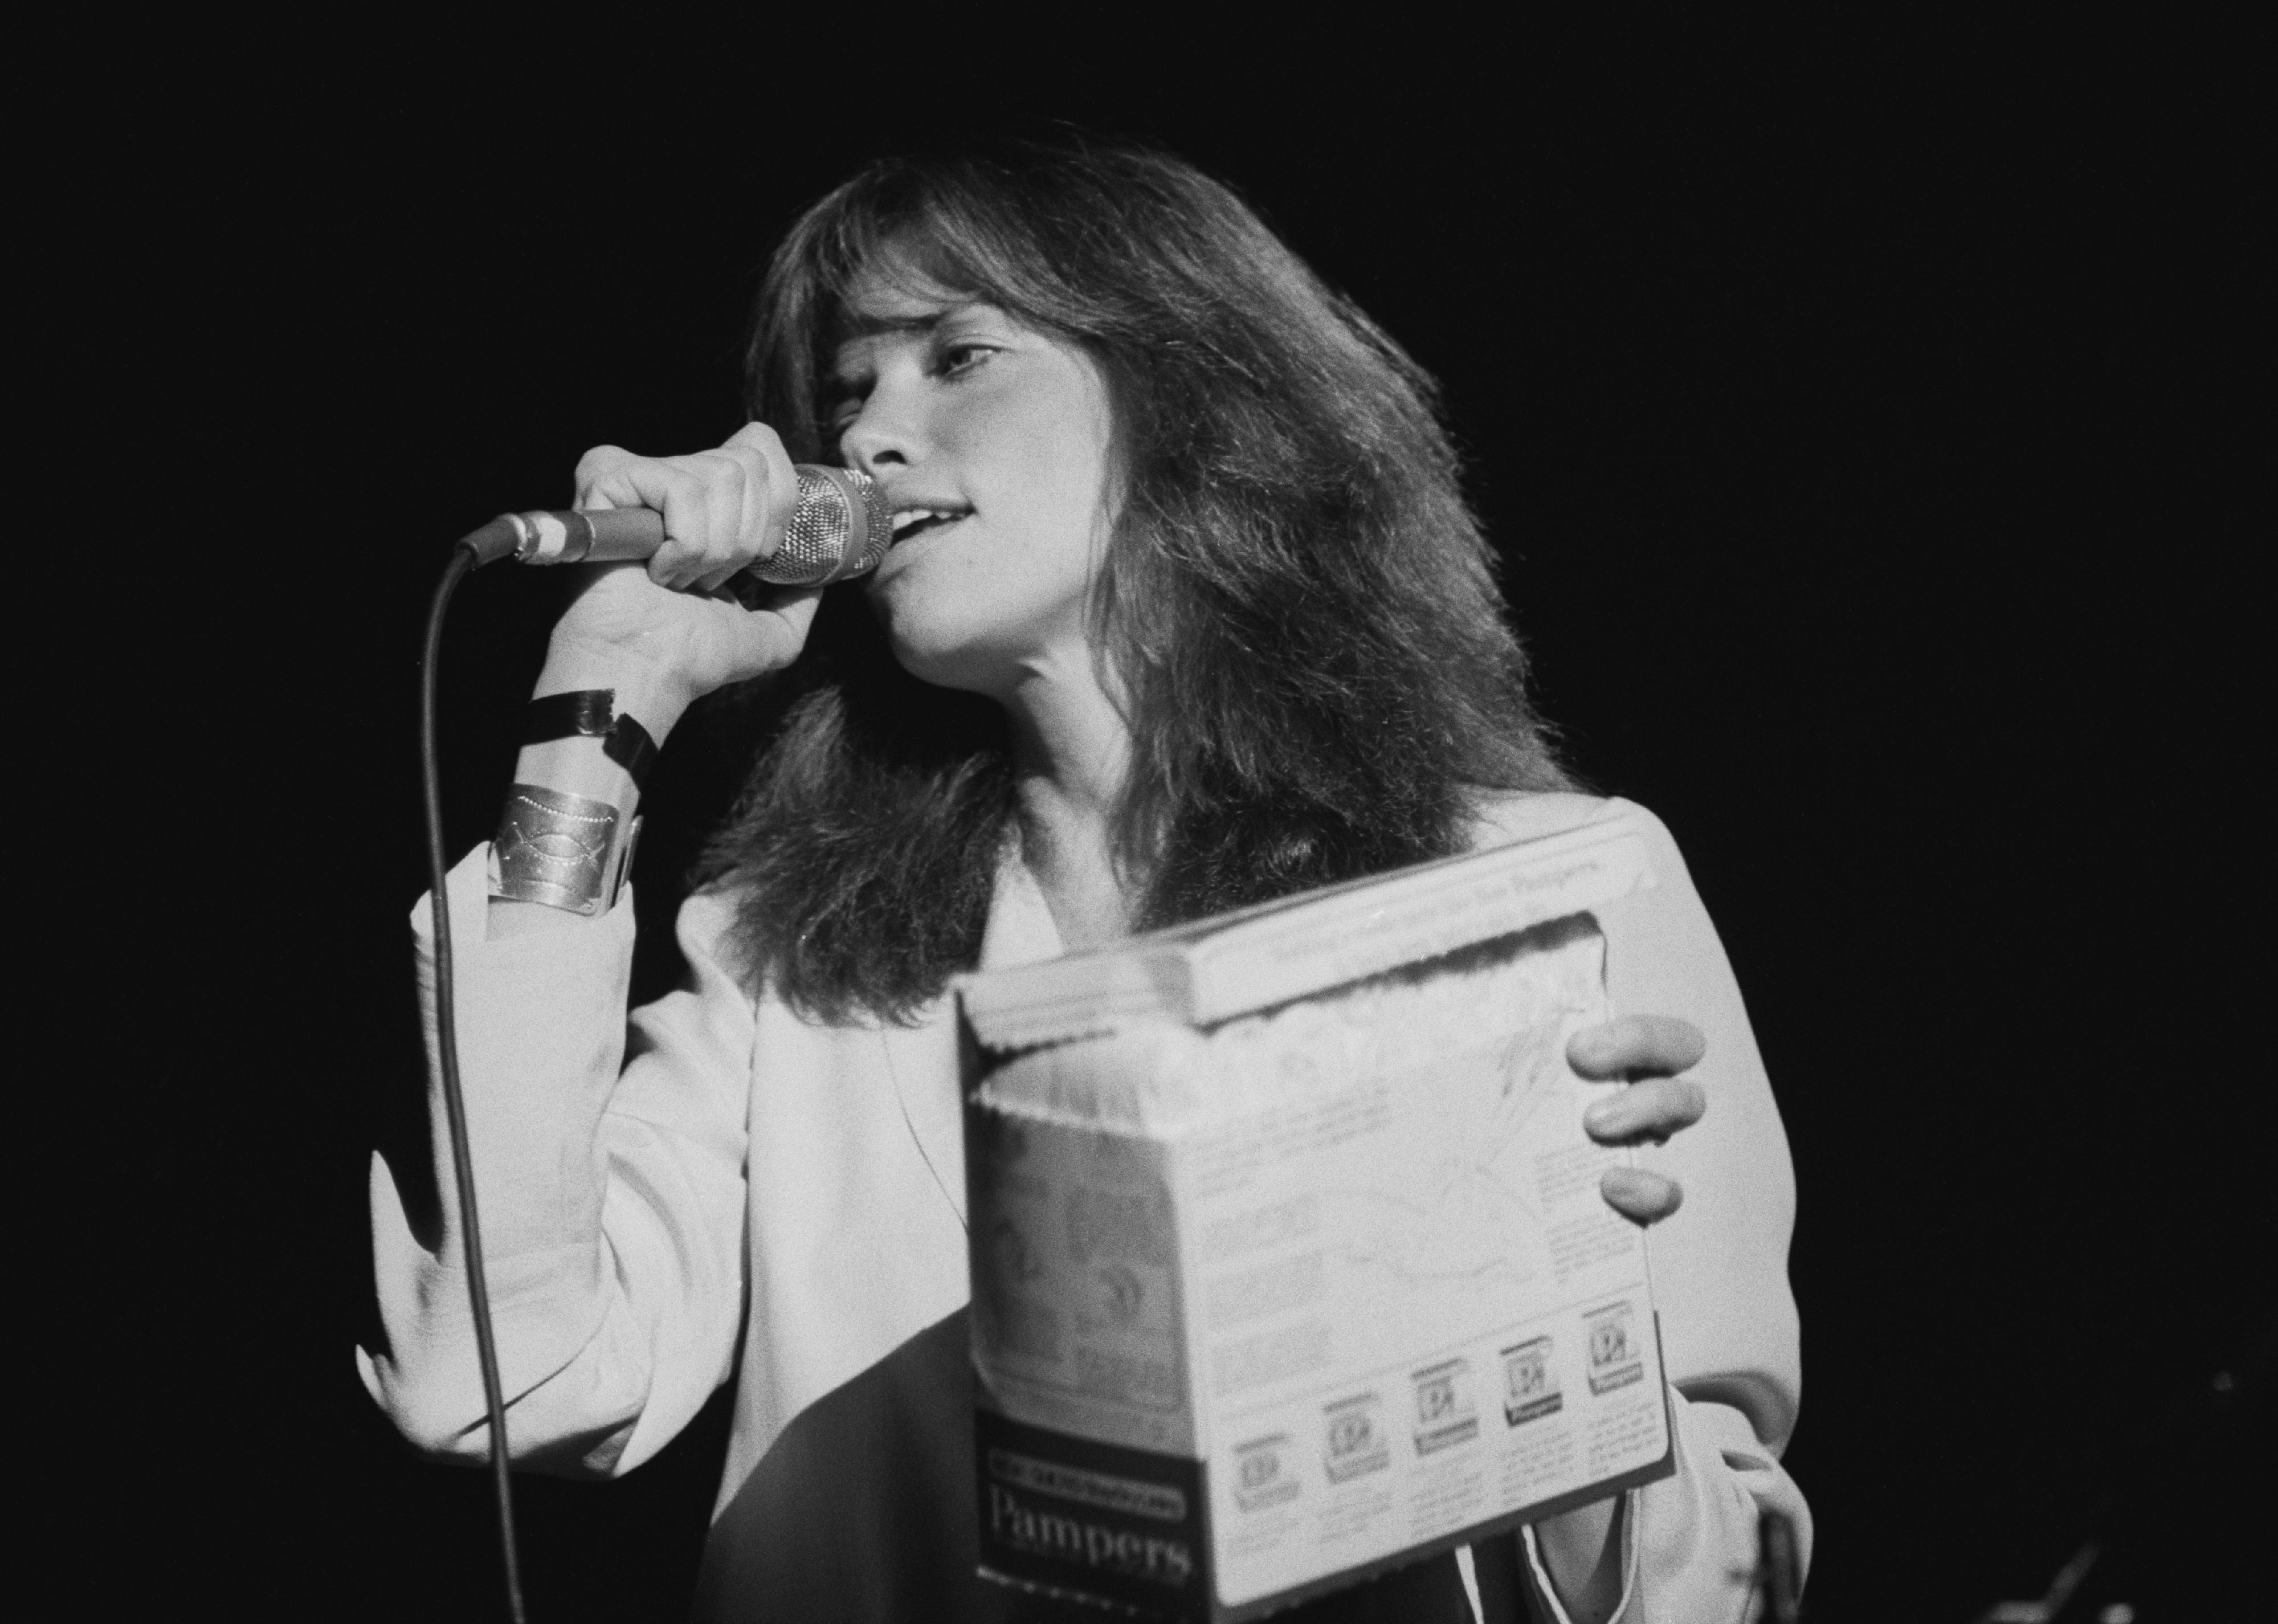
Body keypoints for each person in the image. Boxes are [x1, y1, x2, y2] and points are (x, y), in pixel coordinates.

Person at [363, 142, 1809, 1623]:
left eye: (958, 356)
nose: (870, 437)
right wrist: (601, 695)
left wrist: (1554, 1344)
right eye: (849, 389)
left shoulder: (1554, 891)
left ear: (1184, 393)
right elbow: (506, 1380)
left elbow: (1723, 1583)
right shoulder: (789, 960)